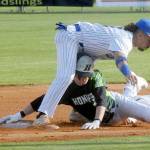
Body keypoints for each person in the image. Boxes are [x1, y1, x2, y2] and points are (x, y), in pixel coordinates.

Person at [35, 18, 150, 124]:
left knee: (83, 77)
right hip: (70, 37)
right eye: (149, 40)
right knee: (66, 76)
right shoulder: (126, 39)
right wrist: (128, 73)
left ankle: (77, 111)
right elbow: (120, 59)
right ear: (140, 34)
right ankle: (43, 115)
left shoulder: (125, 36)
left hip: (79, 43)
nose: (149, 44)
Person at [0, 54, 149, 129]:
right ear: (74, 72)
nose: (84, 79)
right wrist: (19, 114)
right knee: (129, 119)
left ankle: (133, 85)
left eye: (87, 76)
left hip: (118, 106)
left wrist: (96, 121)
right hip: (108, 120)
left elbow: (102, 98)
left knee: (144, 113)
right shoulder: (67, 87)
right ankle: (131, 86)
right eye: (81, 75)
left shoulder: (95, 76)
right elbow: (44, 100)